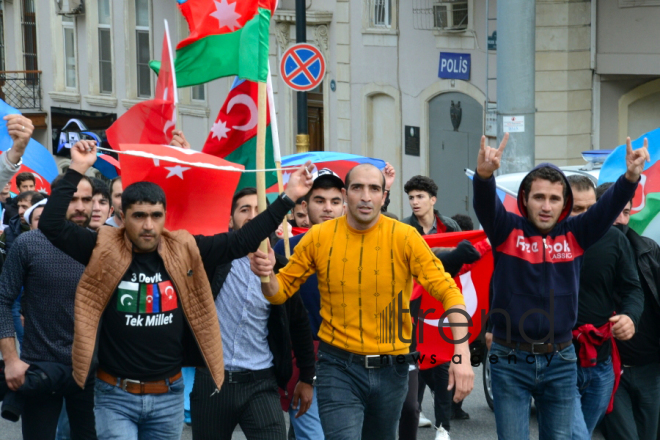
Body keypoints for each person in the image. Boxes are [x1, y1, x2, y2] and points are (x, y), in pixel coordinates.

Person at [37, 140, 313, 440]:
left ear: (165, 216)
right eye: (139, 216)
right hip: (115, 395)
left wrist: (287, 198)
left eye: (156, 216)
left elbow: (240, 241)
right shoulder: (102, 247)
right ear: (122, 215)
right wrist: (78, 167)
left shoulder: (184, 248)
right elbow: (51, 225)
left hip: (168, 395)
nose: (148, 225)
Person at [250, 163, 475, 440]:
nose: (366, 196)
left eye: (374, 189)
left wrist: (461, 353)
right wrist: (266, 274)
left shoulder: (405, 237)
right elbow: (278, 292)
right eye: (358, 188)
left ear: (383, 195)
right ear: (347, 194)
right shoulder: (318, 237)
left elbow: (448, 291)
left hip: (392, 369)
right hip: (337, 368)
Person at [473, 133, 647, 440]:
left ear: (564, 203)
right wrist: (485, 176)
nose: (546, 206)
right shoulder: (505, 230)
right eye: (538, 197)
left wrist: (631, 176)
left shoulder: (576, 233)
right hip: (510, 359)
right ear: (524, 199)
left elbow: (606, 208)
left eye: (554, 199)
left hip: (561, 361)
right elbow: (486, 205)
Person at [191, 187, 315, 440]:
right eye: (244, 209)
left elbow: (299, 325)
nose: (253, 216)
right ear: (229, 219)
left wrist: (306, 377)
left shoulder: (283, 268)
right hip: (212, 381)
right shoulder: (210, 262)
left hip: (261, 383)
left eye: (259, 210)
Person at [0, 172, 96, 440]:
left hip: (89, 372)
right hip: (39, 367)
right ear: (58, 201)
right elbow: (2, 299)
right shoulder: (29, 243)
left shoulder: (103, 245)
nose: (79, 206)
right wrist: (10, 360)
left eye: (86, 199)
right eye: (72, 198)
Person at [566, 175, 643, 439]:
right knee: (574, 435)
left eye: (592, 208)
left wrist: (630, 317)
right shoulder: (546, 241)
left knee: (582, 433)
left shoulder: (614, 239)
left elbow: (632, 288)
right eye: (577, 209)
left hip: (601, 360)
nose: (587, 216)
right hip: (558, 359)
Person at [274, 168, 346, 440]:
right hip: (303, 355)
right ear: (304, 205)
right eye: (319, 201)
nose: (328, 208)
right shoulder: (286, 248)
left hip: (347, 356)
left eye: (334, 201)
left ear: (343, 204)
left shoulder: (361, 247)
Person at [599, 182, 660, 440]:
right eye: (614, 211)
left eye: (625, 212)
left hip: (650, 366)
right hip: (610, 368)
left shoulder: (649, 250)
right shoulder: (583, 255)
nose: (620, 219)